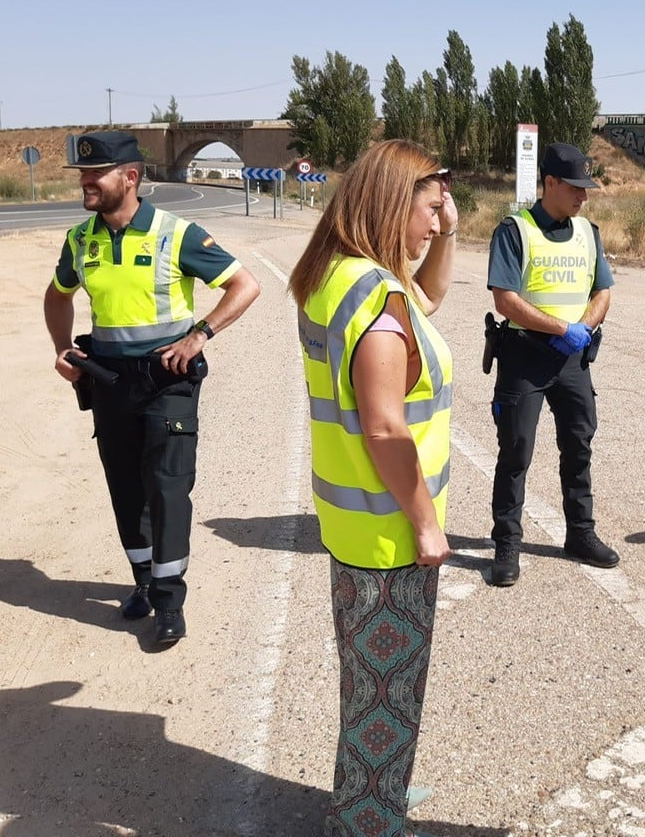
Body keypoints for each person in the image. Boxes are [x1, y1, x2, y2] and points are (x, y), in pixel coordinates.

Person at [288, 139, 456, 837]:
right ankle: (367, 821)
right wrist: (425, 521)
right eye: (428, 208)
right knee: (386, 695)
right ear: (393, 204)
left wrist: (453, 231)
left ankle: (371, 792)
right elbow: (386, 428)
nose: (434, 223)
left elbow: (431, 296)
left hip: (353, 522)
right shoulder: (378, 300)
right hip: (389, 531)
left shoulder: (341, 274)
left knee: (366, 687)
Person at [44, 130, 260, 645]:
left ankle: (168, 600)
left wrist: (200, 334)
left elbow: (244, 284)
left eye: (96, 174)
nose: (87, 183)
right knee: (125, 486)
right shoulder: (80, 239)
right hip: (109, 383)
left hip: (167, 380)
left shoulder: (175, 233)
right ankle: (142, 580)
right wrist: (62, 348)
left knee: (166, 487)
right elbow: (57, 296)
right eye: (83, 175)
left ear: (131, 177)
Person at [486, 141, 619, 587]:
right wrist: (563, 330)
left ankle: (580, 533)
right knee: (516, 450)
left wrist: (582, 325)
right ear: (550, 183)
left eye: (587, 187)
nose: (584, 196)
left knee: (579, 447)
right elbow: (505, 299)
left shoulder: (588, 233)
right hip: (525, 357)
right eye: (576, 187)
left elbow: (602, 291)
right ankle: (507, 543)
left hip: (573, 362)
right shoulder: (514, 230)